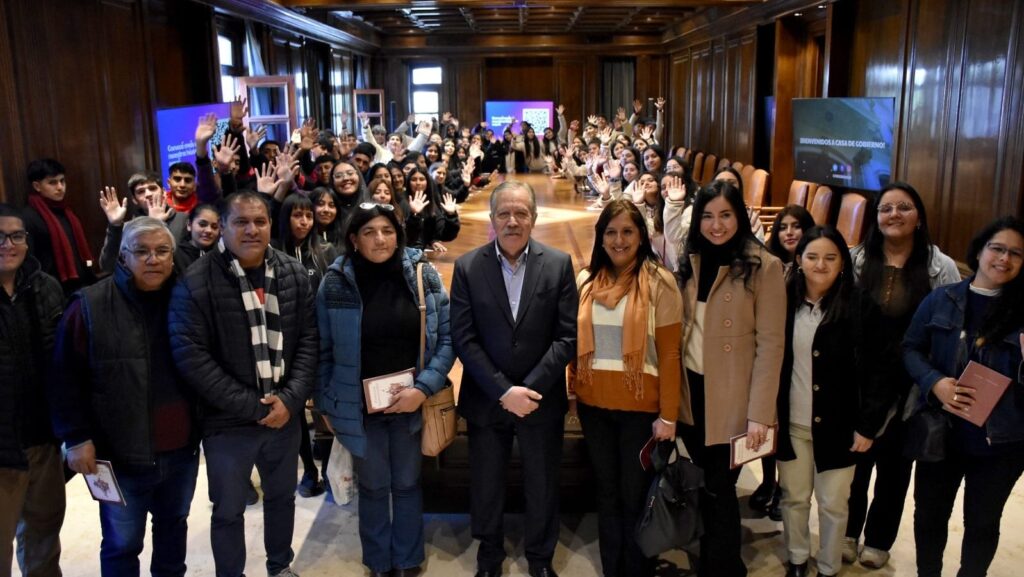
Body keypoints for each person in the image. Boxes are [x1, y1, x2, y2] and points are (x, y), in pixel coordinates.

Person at [169, 192, 318, 577]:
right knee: (229, 510)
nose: (252, 230)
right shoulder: (196, 281)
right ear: (223, 226)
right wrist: (254, 407)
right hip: (226, 422)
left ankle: (279, 565)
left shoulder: (293, 273)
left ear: (270, 224)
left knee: (282, 498)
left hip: (284, 414)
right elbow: (192, 357)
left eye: (260, 221)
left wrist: (290, 399)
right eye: (241, 222)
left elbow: (309, 341)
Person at [51, 217, 199, 577]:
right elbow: (63, 377)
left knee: (173, 531)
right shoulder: (89, 305)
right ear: (123, 257)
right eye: (142, 251)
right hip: (118, 454)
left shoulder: (188, 298)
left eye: (162, 251)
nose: (153, 259)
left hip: (180, 449)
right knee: (121, 544)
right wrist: (76, 437)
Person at [316, 203, 455, 577]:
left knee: (408, 483)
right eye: (369, 232)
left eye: (387, 231)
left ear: (398, 234)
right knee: (375, 486)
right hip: (362, 408)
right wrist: (328, 404)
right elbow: (322, 349)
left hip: (411, 402)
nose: (380, 239)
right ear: (353, 240)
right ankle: (378, 561)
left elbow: (446, 341)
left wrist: (422, 389)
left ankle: (408, 558)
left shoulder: (424, 276)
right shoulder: (335, 282)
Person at [450, 180, 578, 577]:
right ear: (491, 219)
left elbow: (567, 336)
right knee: (486, 484)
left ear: (534, 219)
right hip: (488, 398)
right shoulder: (468, 266)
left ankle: (540, 558)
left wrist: (530, 389)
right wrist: (504, 390)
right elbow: (463, 337)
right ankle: (489, 556)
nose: (512, 221)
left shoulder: (558, 264)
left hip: (542, 399)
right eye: (503, 213)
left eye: (521, 213)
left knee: (543, 484)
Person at [844, 182, 960, 569]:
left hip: (912, 384)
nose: (894, 215)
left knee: (894, 469)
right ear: (875, 218)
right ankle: (846, 533)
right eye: (886, 208)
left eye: (904, 207)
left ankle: (878, 539)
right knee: (853, 466)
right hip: (860, 382)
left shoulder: (939, 266)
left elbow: (947, 330)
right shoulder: (856, 259)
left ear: (919, 217)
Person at [903, 216, 1024, 577]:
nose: (1004, 259)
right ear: (980, 251)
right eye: (997, 248)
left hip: (1002, 442)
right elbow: (911, 348)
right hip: (942, 432)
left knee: (983, 524)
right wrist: (933, 382)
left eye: (1016, 253)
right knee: (928, 516)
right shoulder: (942, 299)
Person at [676, 179, 786, 577]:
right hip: (693, 393)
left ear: (740, 217)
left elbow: (771, 347)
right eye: (707, 216)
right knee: (705, 484)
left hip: (735, 400)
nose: (716, 225)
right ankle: (715, 557)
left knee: (721, 489)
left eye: (725, 215)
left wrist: (759, 414)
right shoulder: (690, 258)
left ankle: (722, 567)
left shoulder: (763, 265)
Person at [569, 200, 683, 577]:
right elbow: (572, 345)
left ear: (641, 236)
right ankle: (612, 567)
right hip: (594, 404)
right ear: (601, 238)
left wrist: (669, 415)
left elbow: (670, 356)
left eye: (627, 232)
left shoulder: (660, 282)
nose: (619, 240)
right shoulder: (585, 281)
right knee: (606, 492)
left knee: (635, 495)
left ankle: (636, 568)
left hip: (641, 410)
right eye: (611, 232)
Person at [775, 226, 889, 577]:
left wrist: (868, 425)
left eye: (830, 257)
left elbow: (881, 371)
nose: (820, 265)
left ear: (843, 263)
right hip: (791, 421)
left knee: (833, 504)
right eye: (811, 257)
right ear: (798, 260)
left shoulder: (860, 306)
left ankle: (827, 566)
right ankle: (796, 558)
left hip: (840, 427)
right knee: (794, 498)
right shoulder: (782, 301)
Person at [0, 204, 65, 577]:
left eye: (17, 235)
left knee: (44, 532)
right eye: (0, 236)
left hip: (42, 437)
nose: (8, 244)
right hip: (1, 446)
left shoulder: (45, 287)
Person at [754, 203, 816, 520]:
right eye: (783, 227)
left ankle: (783, 489)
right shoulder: (769, 265)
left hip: (799, 356)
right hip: (770, 353)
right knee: (769, 422)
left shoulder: (814, 267)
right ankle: (767, 481)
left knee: (788, 428)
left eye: (796, 226)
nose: (789, 232)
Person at [22, 158, 97, 296]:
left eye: (62, 181)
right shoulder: (28, 217)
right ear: (37, 186)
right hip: (53, 293)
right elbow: (30, 262)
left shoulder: (67, 212)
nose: (60, 187)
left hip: (82, 286)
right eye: (52, 182)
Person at [174, 203, 221, 275]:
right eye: (202, 224)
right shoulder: (175, 255)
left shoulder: (222, 256)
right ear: (189, 225)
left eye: (214, 227)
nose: (209, 230)